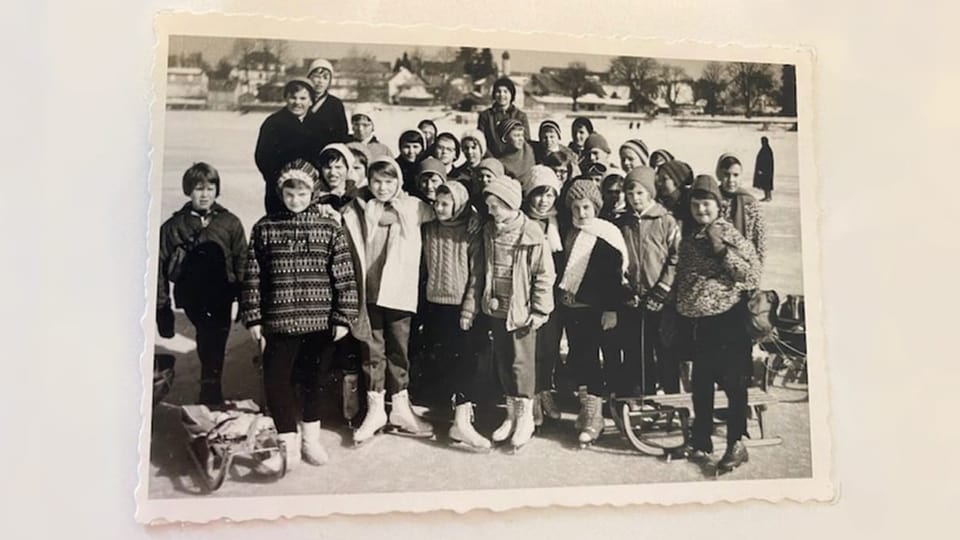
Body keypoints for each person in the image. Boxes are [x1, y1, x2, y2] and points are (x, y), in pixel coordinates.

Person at [239, 159, 359, 469]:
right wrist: (253, 317)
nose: (296, 200)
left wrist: (343, 317)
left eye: (303, 194)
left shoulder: (329, 228)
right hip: (279, 322)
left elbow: (344, 276)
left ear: (314, 193)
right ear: (281, 193)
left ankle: (310, 438)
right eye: (290, 194)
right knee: (277, 382)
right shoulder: (265, 228)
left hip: (319, 322)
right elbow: (253, 276)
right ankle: (287, 443)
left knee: (313, 380)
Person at [341, 157, 438, 445]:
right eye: (377, 181)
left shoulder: (413, 207)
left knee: (398, 350)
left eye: (389, 181)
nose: (383, 187)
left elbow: (446, 210)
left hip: (398, 292)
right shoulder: (362, 208)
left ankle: (399, 409)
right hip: (369, 292)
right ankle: (375, 411)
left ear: (399, 181)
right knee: (372, 352)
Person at [675, 174, 761, 472]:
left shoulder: (727, 232)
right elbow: (683, 278)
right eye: (696, 204)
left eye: (707, 204)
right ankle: (701, 441)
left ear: (719, 205)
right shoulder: (689, 237)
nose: (701, 210)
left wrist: (722, 251)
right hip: (699, 323)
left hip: (728, 320)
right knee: (701, 384)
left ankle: (736, 443)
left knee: (734, 384)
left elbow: (751, 274)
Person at [157, 163, 247, 405]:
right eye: (199, 189)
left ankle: (211, 382)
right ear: (189, 191)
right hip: (192, 297)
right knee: (209, 336)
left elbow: (242, 260)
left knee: (215, 337)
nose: (205, 194)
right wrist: (162, 310)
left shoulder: (230, 223)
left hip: (222, 295)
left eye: (210, 188)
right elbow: (159, 269)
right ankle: (210, 386)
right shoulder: (173, 227)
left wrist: (245, 299)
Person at [480, 177, 556, 451]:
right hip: (497, 308)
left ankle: (526, 417)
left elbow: (544, 274)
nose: (491, 211)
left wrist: (539, 308)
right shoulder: (490, 231)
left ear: (510, 204)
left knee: (520, 363)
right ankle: (511, 414)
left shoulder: (532, 233)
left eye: (495, 206)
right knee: (502, 360)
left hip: (521, 311)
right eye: (489, 206)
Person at [556, 179, 629, 446]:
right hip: (571, 307)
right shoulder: (569, 232)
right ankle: (587, 410)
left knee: (592, 359)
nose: (582, 213)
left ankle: (595, 416)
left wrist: (611, 309)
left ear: (595, 207)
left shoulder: (606, 234)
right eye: (576, 208)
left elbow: (613, 276)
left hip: (595, 309)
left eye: (586, 207)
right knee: (579, 358)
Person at [418, 181, 489, 450]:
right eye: (437, 202)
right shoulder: (429, 229)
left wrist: (469, 309)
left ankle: (463, 420)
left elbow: (476, 275)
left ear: (459, 205)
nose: (439, 207)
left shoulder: (471, 231)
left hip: (460, 308)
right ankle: (451, 416)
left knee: (464, 363)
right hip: (434, 306)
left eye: (446, 203)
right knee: (444, 361)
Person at [615, 166, 681, 395]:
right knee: (636, 348)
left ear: (650, 193)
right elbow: (617, 258)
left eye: (640, 193)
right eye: (630, 193)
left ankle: (669, 394)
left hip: (660, 298)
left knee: (663, 347)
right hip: (634, 298)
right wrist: (624, 287)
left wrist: (662, 289)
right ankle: (643, 392)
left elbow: (676, 257)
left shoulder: (666, 221)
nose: (635, 199)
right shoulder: (623, 223)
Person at [520, 166, 565, 426]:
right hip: (527, 293)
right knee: (530, 347)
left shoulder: (558, 221)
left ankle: (545, 390)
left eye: (549, 195)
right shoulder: (522, 220)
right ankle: (531, 396)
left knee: (549, 346)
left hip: (553, 296)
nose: (543, 200)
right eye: (539, 194)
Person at [254, 77, 318, 214]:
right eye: (293, 98)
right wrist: (279, 180)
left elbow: (323, 155)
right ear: (286, 98)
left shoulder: (319, 124)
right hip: (280, 190)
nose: (297, 103)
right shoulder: (273, 123)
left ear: (311, 101)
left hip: (310, 189)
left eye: (303, 98)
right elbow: (262, 156)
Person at [716, 153, 767, 266]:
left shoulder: (751, 204)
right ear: (718, 174)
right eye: (726, 174)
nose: (731, 180)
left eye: (735, 175)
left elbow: (759, 241)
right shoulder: (712, 200)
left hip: (744, 263)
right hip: (716, 264)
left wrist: (756, 269)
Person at [477, 77, 530, 158]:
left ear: (511, 95)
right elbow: (481, 141)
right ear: (494, 94)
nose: (502, 95)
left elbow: (525, 141)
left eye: (505, 92)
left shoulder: (520, 116)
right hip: (492, 159)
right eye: (498, 91)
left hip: (515, 159)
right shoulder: (486, 116)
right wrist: (492, 160)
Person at [304, 59, 349, 152]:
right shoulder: (301, 100)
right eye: (317, 77)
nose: (320, 81)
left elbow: (341, 134)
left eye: (325, 78)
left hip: (325, 154)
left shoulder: (335, 104)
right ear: (309, 78)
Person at [313, 143, 359, 211]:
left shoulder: (357, 196)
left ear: (348, 169)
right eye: (328, 168)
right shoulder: (314, 197)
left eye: (338, 167)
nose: (332, 173)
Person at [655, 159, 695, 233]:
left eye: (664, 179)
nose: (660, 183)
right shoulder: (658, 203)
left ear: (677, 181)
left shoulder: (689, 205)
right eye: (659, 179)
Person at [497, 118, 536, 186]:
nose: (521, 139)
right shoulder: (501, 163)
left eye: (522, 135)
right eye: (516, 136)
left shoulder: (529, 148)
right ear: (504, 139)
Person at [396, 129, 426, 194]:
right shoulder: (395, 166)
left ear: (422, 148)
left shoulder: (426, 165)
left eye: (415, 147)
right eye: (406, 147)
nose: (411, 151)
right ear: (400, 148)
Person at [753, 136, 775, 202]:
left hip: (766, 171)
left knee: (767, 184)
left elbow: (766, 161)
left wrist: (762, 169)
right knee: (765, 184)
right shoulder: (765, 149)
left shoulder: (766, 150)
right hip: (766, 170)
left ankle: (768, 197)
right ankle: (766, 196)